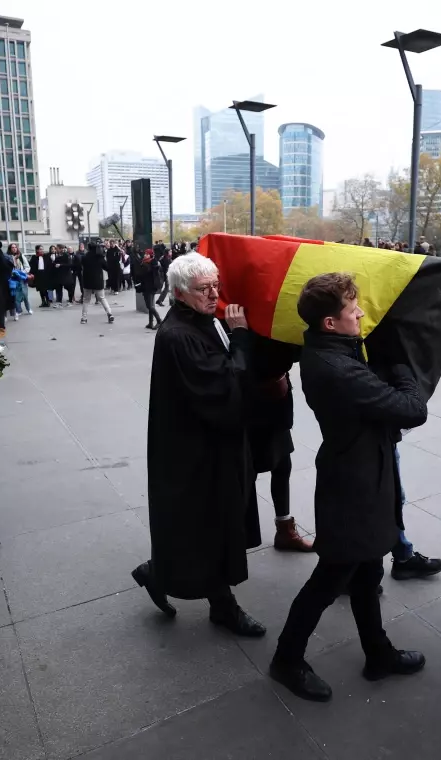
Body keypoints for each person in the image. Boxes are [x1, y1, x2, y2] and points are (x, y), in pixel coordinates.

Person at [268, 273, 429, 703]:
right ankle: (286, 659)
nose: (360, 312)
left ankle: (377, 652)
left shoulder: (332, 351)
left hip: (362, 473)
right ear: (330, 324)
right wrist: (399, 363)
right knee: (332, 575)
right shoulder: (339, 368)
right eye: (351, 308)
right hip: (353, 485)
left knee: (368, 569)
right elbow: (413, 410)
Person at [130, 253, 264, 638]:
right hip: (195, 450)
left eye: (215, 286)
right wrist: (240, 337)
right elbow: (224, 386)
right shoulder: (178, 335)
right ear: (179, 294)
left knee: (207, 526)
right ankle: (223, 606)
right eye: (204, 289)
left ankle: (159, 574)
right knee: (206, 527)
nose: (213, 295)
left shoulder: (203, 321)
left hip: (211, 442)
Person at [246, 337, 312, 552]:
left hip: (276, 397)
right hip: (248, 403)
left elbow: (294, 354)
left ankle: (284, 528)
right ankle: (236, 534)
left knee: (283, 464)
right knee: (246, 471)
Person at [79, 240, 114, 325]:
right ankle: (109, 314)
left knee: (86, 300)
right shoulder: (100, 257)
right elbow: (107, 268)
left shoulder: (84, 257)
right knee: (102, 298)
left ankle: (84, 318)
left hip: (87, 281)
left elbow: (81, 267)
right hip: (98, 281)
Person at [136, 248, 162, 330]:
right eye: (145, 254)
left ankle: (159, 320)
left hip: (149, 287)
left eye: (147, 254)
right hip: (150, 286)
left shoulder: (148, 264)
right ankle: (151, 323)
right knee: (151, 305)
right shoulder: (150, 262)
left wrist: (141, 265)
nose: (145, 255)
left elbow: (142, 273)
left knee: (149, 306)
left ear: (150, 255)